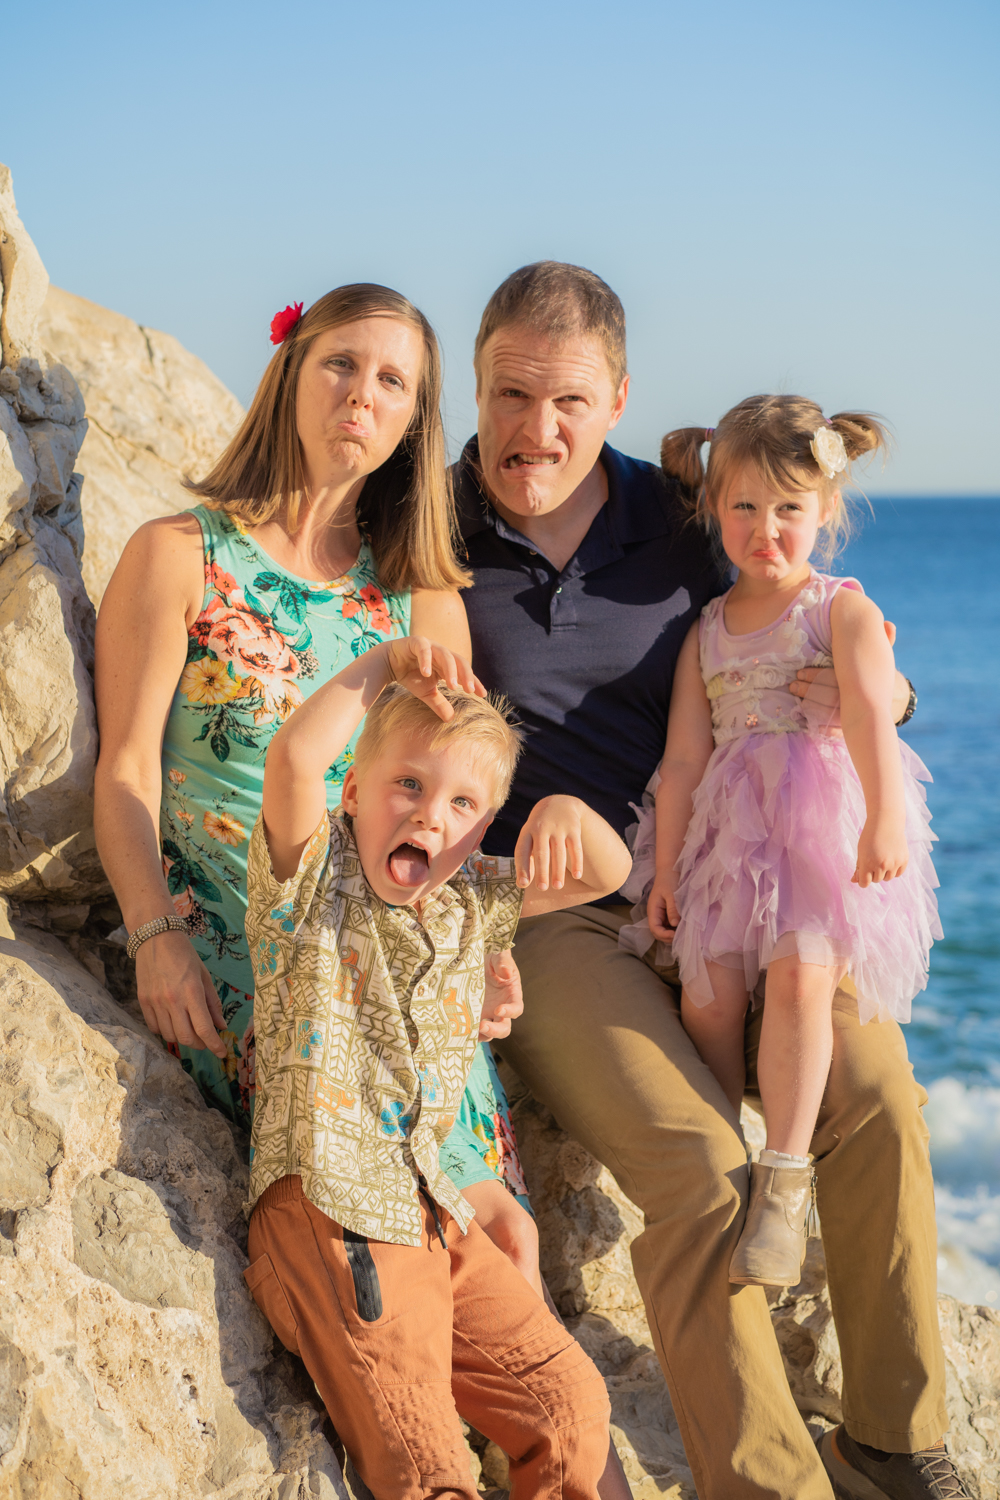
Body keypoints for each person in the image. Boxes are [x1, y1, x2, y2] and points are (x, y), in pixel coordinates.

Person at [454, 260, 968, 1500]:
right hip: (550, 913)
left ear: (619, 397)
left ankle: (893, 1446)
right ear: (475, 385)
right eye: (509, 394)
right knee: (699, 1166)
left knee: (877, 1090)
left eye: (569, 399)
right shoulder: (426, 525)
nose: (537, 429)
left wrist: (884, 692)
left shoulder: (687, 515)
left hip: (716, 884)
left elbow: (826, 620)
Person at [92, 284, 541, 1320]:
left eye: (393, 382)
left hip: (396, 955)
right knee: (393, 1249)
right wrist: (153, 932)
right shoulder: (179, 555)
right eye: (342, 363)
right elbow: (125, 772)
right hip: (252, 950)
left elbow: (454, 811)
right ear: (292, 368)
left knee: (502, 1242)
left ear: (413, 424)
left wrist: (482, 954)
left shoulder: (420, 595)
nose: (361, 394)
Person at [243, 631, 632, 1500]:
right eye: (407, 786)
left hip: (435, 1211)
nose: (430, 816)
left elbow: (608, 873)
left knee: (570, 1409)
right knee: (425, 1465)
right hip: (333, 1212)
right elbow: (295, 760)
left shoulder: (471, 905)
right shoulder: (315, 879)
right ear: (354, 794)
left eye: (461, 804)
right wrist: (387, 662)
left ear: (482, 830)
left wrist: (569, 811)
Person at [618, 395, 942, 1289]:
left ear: (825, 513)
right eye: (746, 508)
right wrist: (672, 864)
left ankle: (786, 1180)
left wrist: (882, 815)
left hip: (816, 832)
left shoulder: (841, 610)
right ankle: (728, 1151)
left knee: (801, 976)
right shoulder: (706, 633)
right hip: (730, 839)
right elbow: (684, 760)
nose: (767, 530)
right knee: (708, 996)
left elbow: (876, 712)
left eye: (790, 509)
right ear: (714, 511)